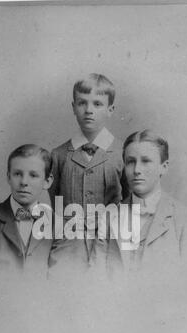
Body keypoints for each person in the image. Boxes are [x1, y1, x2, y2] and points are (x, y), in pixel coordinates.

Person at [95, 130, 187, 280]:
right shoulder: (109, 217)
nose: (137, 170)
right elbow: (95, 280)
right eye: (130, 162)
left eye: (146, 161)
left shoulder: (186, 220)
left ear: (164, 167)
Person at [49, 73, 124, 272]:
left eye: (97, 104)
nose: (89, 110)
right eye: (82, 103)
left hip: (111, 251)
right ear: (73, 107)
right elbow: (52, 205)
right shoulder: (58, 156)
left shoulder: (122, 154)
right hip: (67, 253)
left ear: (110, 109)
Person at [0, 144, 54, 276]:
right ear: (8, 177)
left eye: (33, 175)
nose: (24, 182)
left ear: (47, 181)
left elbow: (61, 280)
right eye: (17, 174)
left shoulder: (59, 226)